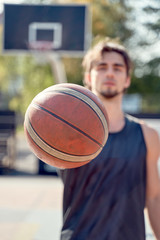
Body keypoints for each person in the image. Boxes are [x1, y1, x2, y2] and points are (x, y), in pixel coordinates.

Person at [58, 38, 160, 240]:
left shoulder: (147, 135)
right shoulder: (68, 133)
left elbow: (154, 198)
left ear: (127, 79)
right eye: (102, 67)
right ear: (88, 77)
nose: (110, 73)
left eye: (117, 68)